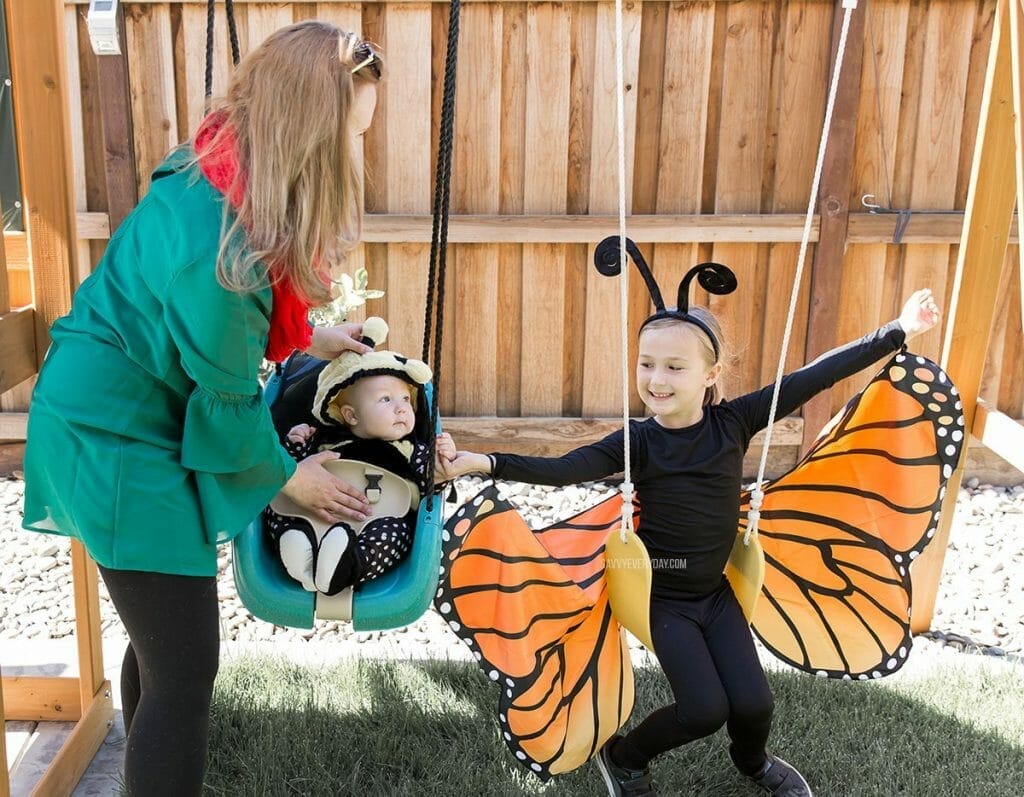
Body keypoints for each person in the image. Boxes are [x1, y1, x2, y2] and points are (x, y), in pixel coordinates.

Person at [20, 21, 385, 796]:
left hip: (114, 408)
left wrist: (311, 339)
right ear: (310, 133)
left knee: (161, 648)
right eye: (352, 134)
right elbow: (226, 406)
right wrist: (295, 479)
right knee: (186, 674)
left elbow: (194, 328)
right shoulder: (227, 255)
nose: (357, 155)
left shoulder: (220, 163)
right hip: (113, 441)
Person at [444, 285, 942, 797]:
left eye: (674, 367)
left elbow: (814, 376)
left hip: (715, 594)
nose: (656, 379)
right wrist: (485, 462)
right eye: (646, 364)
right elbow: (568, 469)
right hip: (663, 598)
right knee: (704, 709)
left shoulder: (737, 421)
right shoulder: (640, 442)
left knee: (754, 704)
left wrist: (899, 329)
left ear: (710, 374)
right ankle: (625, 757)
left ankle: (752, 762)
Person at [265, 316, 456, 595]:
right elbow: (288, 471)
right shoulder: (325, 439)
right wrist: (295, 441)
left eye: (405, 399)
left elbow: (433, 486)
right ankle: (297, 551)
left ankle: (346, 566)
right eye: (385, 400)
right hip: (312, 517)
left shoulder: (412, 450)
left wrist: (443, 459)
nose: (401, 408)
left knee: (396, 535)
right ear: (350, 415)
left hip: (375, 523)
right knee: (280, 506)